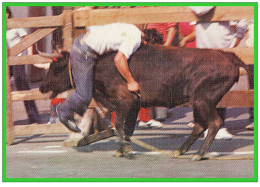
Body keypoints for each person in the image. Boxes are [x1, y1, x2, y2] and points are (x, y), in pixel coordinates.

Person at [56, 23, 142, 132]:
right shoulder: (135, 39)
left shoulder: (132, 28)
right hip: (84, 52)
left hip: (84, 42)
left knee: (94, 89)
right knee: (84, 96)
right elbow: (119, 59)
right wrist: (131, 81)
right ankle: (64, 111)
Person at [187, 6, 250, 139]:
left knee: (219, 86)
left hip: (224, 45)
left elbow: (244, 17)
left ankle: (219, 125)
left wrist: (237, 38)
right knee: (203, 86)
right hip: (204, 46)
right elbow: (198, 9)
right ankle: (205, 124)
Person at [137, 22, 178, 129]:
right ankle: (145, 117)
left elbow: (172, 28)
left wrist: (165, 47)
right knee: (147, 82)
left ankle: (154, 114)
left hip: (156, 41)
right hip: (150, 40)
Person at [6, 7, 40, 124]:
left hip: (17, 59)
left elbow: (28, 39)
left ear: (8, 14)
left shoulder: (15, 25)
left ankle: (33, 116)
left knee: (22, 85)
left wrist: (30, 57)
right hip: (5, 60)